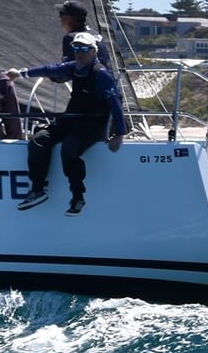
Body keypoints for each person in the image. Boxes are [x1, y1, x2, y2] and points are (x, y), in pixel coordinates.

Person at [13, 12, 127, 215]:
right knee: (38, 140)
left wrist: (119, 134)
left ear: (93, 51)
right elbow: (51, 69)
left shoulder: (101, 74)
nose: (79, 53)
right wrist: (21, 74)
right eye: (76, 49)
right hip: (72, 119)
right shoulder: (75, 67)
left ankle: (77, 197)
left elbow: (116, 104)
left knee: (69, 149)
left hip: (93, 123)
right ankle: (38, 189)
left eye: (84, 49)